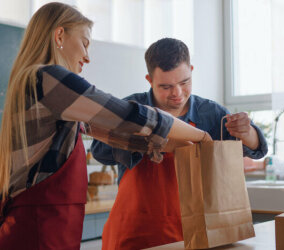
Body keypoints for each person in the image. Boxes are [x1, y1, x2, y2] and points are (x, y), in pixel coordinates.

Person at [0, 4, 211, 250]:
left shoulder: (37, 85)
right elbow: (128, 116)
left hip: (37, 227)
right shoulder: (47, 78)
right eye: (85, 43)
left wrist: (174, 144)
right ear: (59, 36)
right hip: (37, 231)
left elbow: (118, 135)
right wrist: (201, 135)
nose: (87, 57)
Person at [91, 38, 268, 249]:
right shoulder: (131, 109)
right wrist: (149, 138)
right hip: (134, 234)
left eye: (184, 82)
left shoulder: (211, 114)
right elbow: (99, 151)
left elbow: (258, 151)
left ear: (191, 70)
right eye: (166, 86)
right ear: (149, 79)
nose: (177, 93)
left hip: (195, 234)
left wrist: (247, 132)